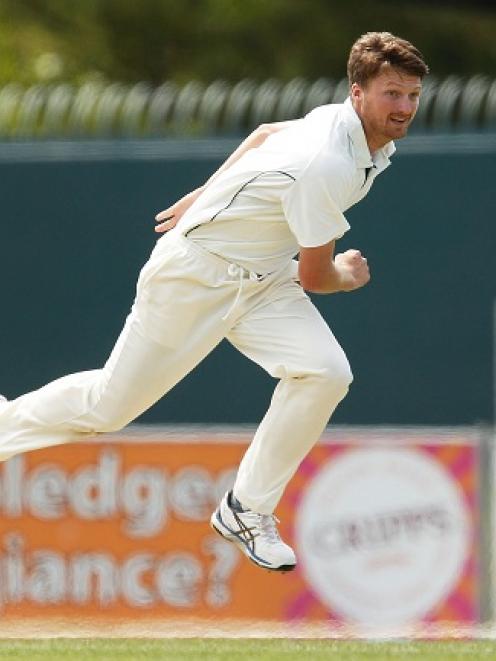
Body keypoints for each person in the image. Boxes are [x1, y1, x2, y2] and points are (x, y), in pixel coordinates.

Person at [0, 32, 428, 572]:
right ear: (358, 92)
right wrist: (346, 274)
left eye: (412, 95)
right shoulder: (328, 161)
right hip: (193, 275)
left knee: (324, 371)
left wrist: (205, 192)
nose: (405, 108)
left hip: (262, 277)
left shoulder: (349, 130)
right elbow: (316, 275)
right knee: (108, 407)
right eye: (392, 94)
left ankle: (246, 508)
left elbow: (265, 133)